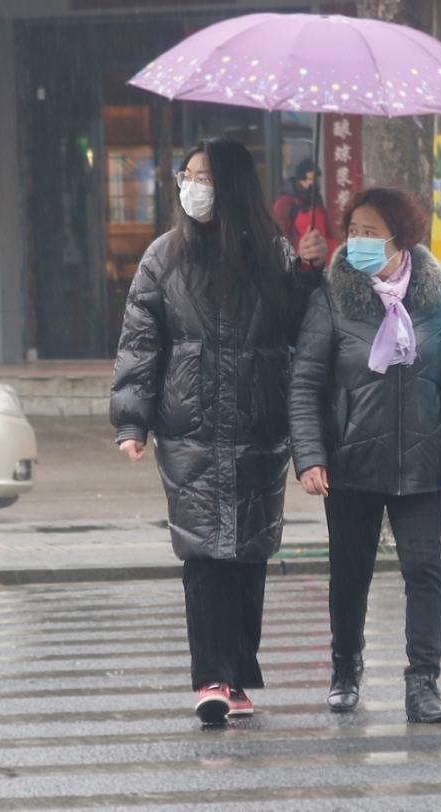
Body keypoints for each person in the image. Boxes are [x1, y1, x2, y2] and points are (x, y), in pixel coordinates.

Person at [110, 138, 325, 726]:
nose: (192, 187)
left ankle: (239, 673)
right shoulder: (164, 256)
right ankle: (211, 677)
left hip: (259, 424)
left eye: (204, 177)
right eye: (187, 176)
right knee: (203, 553)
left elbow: (301, 330)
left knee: (249, 552)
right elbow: (140, 343)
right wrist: (132, 419)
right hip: (190, 428)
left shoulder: (273, 253)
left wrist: (308, 273)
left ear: (230, 185)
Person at [289, 187, 441, 723]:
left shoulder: (434, 299)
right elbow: (305, 382)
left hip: (422, 461)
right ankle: (345, 667)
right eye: (353, 230)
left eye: (371, 232)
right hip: (350, 462)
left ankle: (423, 682)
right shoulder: (331, 298)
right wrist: (309, 456)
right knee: (350, 573)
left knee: (424, 570)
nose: (358, 240)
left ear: (400, 238)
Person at [272, 158, 337, 262]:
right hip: (300, 261)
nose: (313, 183)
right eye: (310, 179)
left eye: (316, 179)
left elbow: (328, 233)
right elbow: (281, 238)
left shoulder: (317, 201)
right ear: (300, 180)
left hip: (323, 260)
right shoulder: (285, 203)